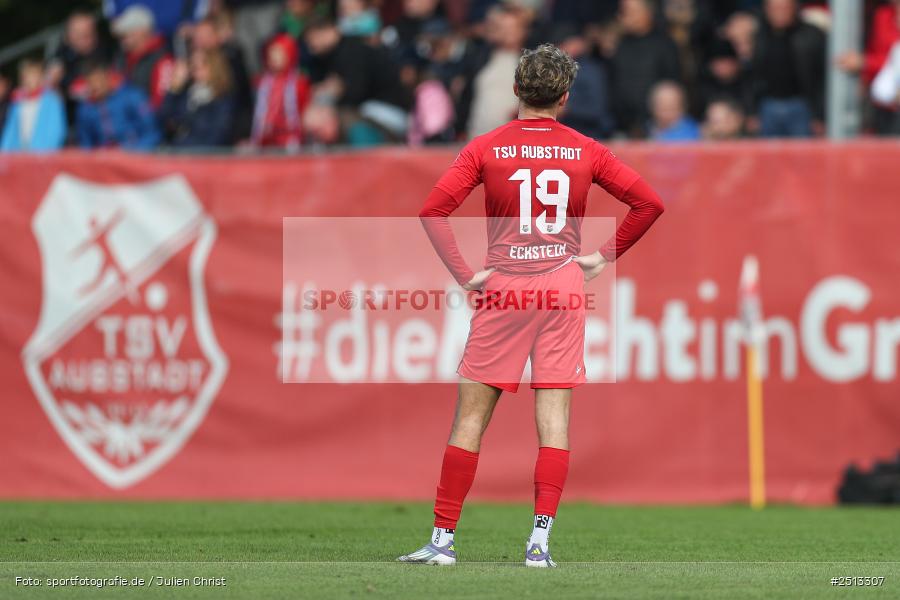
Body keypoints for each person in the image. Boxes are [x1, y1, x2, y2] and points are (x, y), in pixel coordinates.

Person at [398, 44, 664, 567]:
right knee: (555, 419)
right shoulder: (587, 149)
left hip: (505, 286)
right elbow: (649, 203)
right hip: (562, 284)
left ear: (517, 90)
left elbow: (434, 210)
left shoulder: (486, 147)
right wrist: (602, 257)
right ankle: (539, 544)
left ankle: (444, 542)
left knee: (471, 420)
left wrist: (466, 276)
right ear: (564, 98)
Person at [750, 0, 826, 138]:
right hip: (768, 107)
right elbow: (752, 77)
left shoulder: (812, 35)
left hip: (802, 107)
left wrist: (819, 115)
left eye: (784, 8)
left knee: (802, 156)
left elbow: (821, 79)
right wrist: (752, 111)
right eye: (774, 8)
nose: (779, 13)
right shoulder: (759, 36)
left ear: (794, 8)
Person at [608, 0, 682, 138]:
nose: (622, 17)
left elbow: (672, 85)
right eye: (623, 12)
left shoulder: (665, 44)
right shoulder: (618, 45)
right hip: (620, 127)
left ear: (647, 13)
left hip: (659, 129)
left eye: (629, 12)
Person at [158, 49, 236, 148]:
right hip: (179, 154)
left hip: (203, 157)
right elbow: (163, 119)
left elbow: (218, 136)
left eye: (200, 66)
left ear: (214, 68)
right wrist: (174, 89)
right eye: (192, 66)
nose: (194, 71)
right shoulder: (186, 94)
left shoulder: (223, 99)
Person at [75, 61, 160, 150]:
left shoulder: (132, 97)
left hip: (135, 153)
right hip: (104, 158)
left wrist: (134, 151)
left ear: (107, 77)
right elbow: (86, 144)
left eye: (98, 80)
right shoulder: (85, 110)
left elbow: (152, 132)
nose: (95, 86)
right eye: (90, 82)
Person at [250, 34, 311, 149]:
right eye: (272, 53)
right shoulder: (260, 83)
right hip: (264, 137)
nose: (274, 57)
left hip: (291, 137)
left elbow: (303, 111)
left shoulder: (299, 83)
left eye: (279, 53)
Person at [111, 4, 174, 107]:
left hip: (149, 120)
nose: (121, 38)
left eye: (125, 33)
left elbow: (161, 103)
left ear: (142, 32)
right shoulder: (121, 57)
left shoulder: (163, 59)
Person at [1, 59, 66, 152]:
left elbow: (57, 131)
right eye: (26, 76)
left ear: (41, 77)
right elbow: (10, 131)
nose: (29, 80)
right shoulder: (18, 101)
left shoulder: (52, 100)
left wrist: (47, 153)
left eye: (33, 76)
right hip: (19, 154)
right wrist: (4, 153)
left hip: (43, 156)